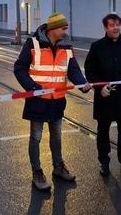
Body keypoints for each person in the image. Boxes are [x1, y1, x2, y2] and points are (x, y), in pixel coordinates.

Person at [14, 13, 91, 191]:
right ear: (53, 29)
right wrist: (32, 87)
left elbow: (73, 71)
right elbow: (19, 69)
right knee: (36, 137)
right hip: (38, 101)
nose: (65, 31)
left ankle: (58, 167)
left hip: (57, 101)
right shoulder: (32, 44)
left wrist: (82, 84)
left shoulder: (67, 47)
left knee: (56, 136)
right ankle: (37, 173)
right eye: (63, 28)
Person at [84, 14, 121, 177]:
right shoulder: (96, 46)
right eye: (112, 25)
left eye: (118, 25)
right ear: (105, 28)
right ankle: (104, 162)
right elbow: (89, 69)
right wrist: (100, 87)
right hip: (105, 96)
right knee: (103, 131)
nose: (116, 28)